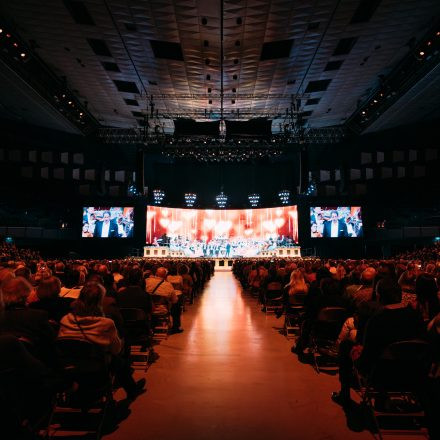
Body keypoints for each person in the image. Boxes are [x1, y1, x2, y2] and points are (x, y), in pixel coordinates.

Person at [332, 278, 426, 407]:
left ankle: (344, 394)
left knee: (345, 345)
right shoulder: (416, 316)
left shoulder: (378, 319)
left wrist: (357, 352)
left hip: (380, 374)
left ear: (379, 296)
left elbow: (369, 355)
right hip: (412, 372)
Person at [58, 281, 145, 400]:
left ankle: (132, 388)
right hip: (96, 371)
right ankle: (132, 390)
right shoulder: (106, 323)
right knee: (118, 360)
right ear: (100, 301)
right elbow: (116, 349)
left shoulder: (65, 320)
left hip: (69, 370)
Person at [145, 267, 181, 333]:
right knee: (177, 306)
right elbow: (174, 300)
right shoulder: (167, 285)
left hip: (148, 308)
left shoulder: (147, 281)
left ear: (156, 273)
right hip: (161, 309)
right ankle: (176, 327)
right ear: (165, 275)